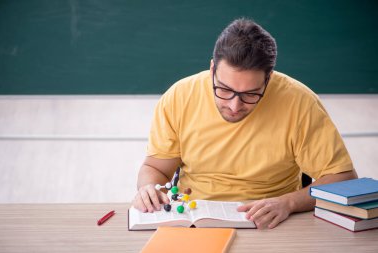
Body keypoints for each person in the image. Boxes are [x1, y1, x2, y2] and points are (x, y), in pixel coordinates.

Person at [132, 18, 357, 229]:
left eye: (251, 94)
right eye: (224, 89)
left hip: (272, 221)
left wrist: (288, 203)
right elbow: (155, 168)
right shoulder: (180, 96)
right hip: (194, 217)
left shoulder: (300, 102)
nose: (234, 105)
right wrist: (148, 188)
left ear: (268, 79)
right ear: (212, 69)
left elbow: (343, 179)